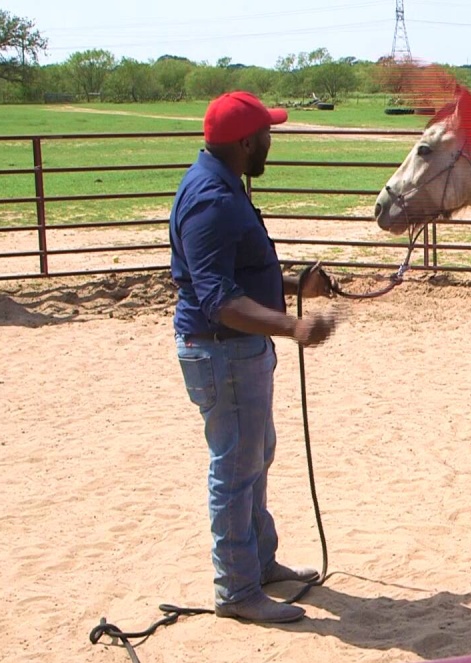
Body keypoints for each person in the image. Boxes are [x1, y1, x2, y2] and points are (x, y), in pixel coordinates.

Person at [169, 91, 336, 623]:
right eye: (266, 133)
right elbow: (217, 299)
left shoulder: (223, 186)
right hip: (223, 352)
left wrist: (292, 283)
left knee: (254, 455)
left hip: (236, 350)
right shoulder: (212, 201)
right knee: (236, 467)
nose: (271, 141)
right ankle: (237, 590)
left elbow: (231, 277)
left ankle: (258, 565)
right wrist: (292, 325)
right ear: (246, 142)